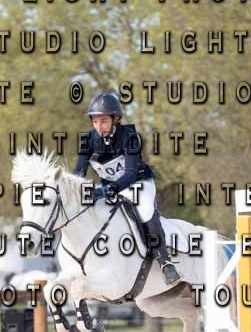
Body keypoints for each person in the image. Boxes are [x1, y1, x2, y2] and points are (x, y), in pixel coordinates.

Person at [72, 92, 182, 286]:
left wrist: (106, 190)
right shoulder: (87, 141)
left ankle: (165, 262)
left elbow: (130, 174)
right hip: (110, 188)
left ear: (115, 119)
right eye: (95, 122)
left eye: (104, 121)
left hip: (138, 183)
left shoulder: (130, 137)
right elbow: (78, 174)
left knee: (144, 210)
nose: (99, 127)